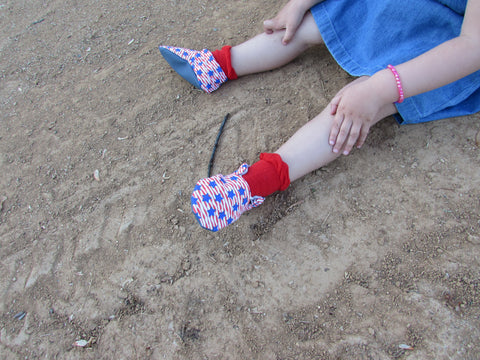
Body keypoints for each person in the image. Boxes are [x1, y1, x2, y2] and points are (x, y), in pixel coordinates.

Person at [159, 0, 480, 232]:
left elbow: (472, 46)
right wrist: (300, 4)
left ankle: (256, 182)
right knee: (319, 18)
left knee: (359, 106)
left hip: (449, 47)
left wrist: (380, 89)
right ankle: (221, 65)